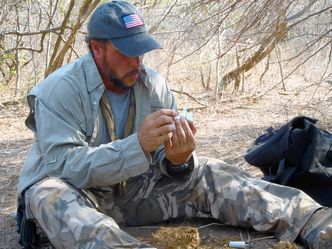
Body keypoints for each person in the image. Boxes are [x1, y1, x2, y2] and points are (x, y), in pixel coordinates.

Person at [17, 1, 332, 249]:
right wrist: (136, 146)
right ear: (96, 48)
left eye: (141, 50)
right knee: (47, 195)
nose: (137, 62)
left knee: (209, 171)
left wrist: (179, 161)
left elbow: (169, 167)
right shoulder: (58, 91)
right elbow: (65, 168)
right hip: (79, 197)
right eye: (127, 52)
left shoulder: (152, 85)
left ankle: (315, 221)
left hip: (132, 197)